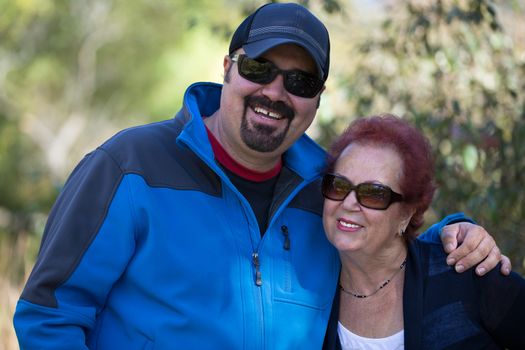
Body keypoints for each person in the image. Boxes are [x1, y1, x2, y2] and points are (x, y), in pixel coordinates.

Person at [13, 3, 510, 349]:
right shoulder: (128, 167)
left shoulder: (327, 194)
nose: (275, 92)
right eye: (259, 67)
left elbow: (389, 238)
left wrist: (457, 232)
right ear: (228, 67)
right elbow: (50, 315)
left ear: (316, 100)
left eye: (299, 81)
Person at [322, 114, 525, 349]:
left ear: (406, 214)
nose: (348, 203)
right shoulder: (308, 294)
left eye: (374, 193)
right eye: (338, 185)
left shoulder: (467, 271)